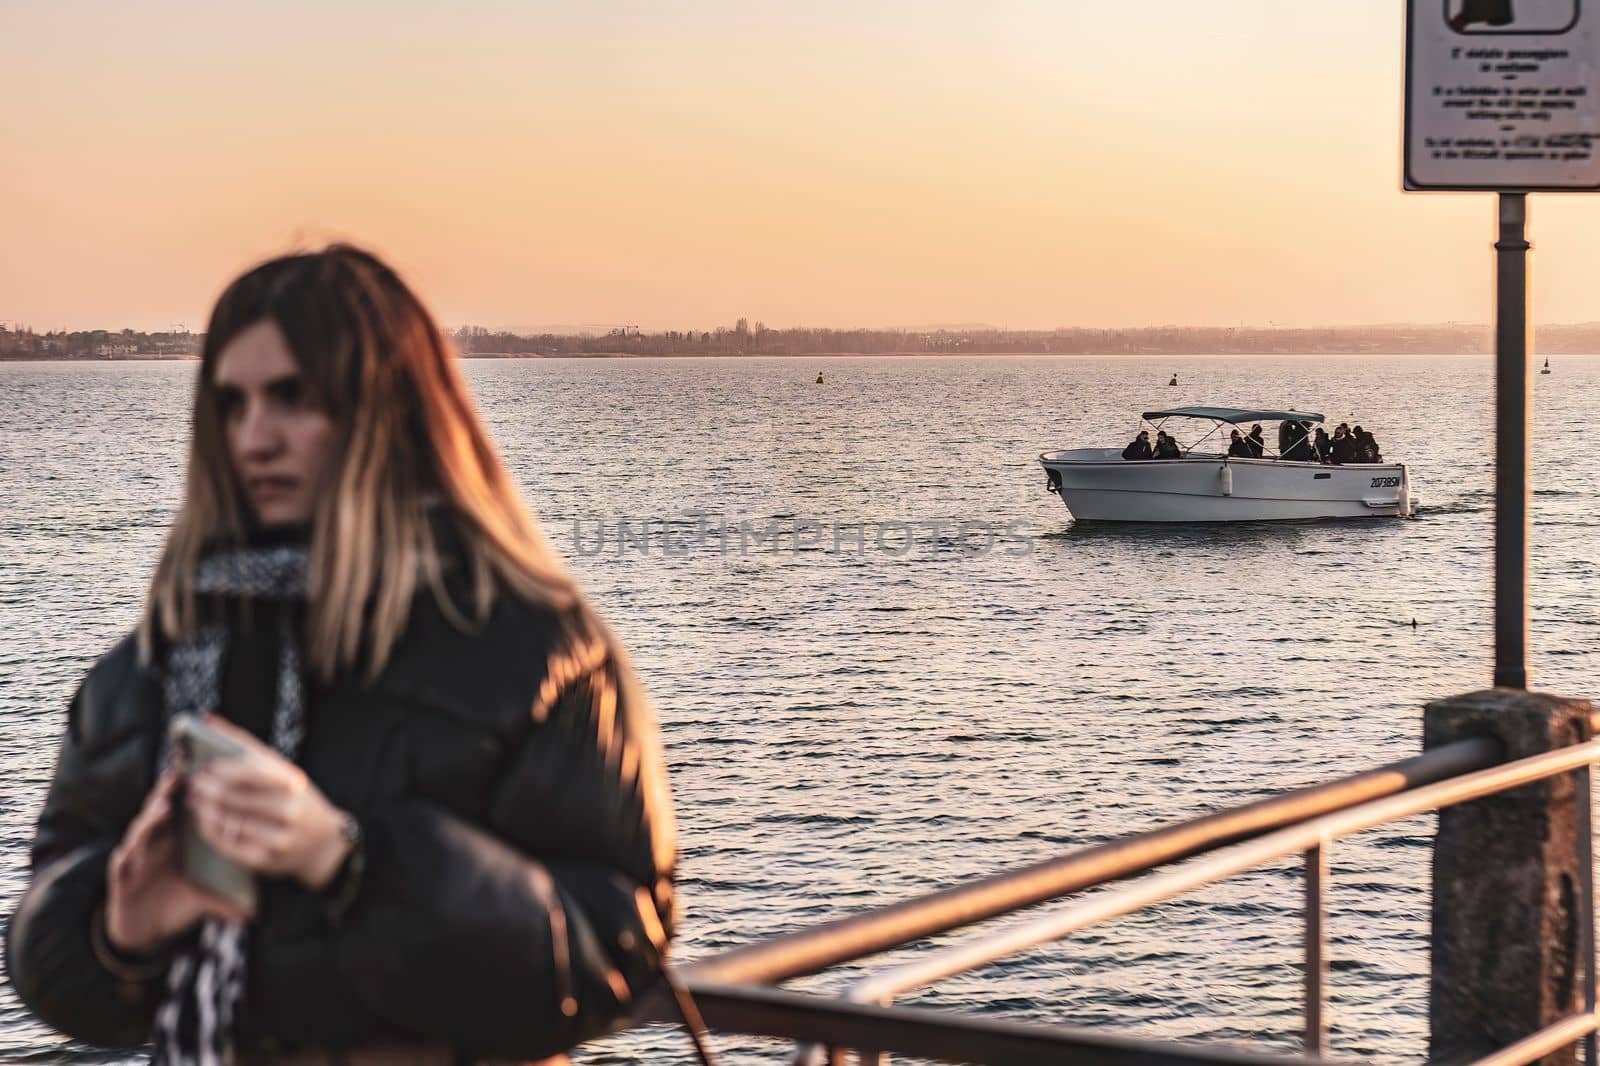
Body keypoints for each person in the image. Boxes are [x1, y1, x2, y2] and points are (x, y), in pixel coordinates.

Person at [5, 247, 677, 1065]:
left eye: (294, 398)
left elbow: (617, 944)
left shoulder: (540, 653)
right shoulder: (152, 664)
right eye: (233, 403)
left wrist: (353, 863)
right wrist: (118, 927)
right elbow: (49, 965)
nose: (255, 437)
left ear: (386, 412)